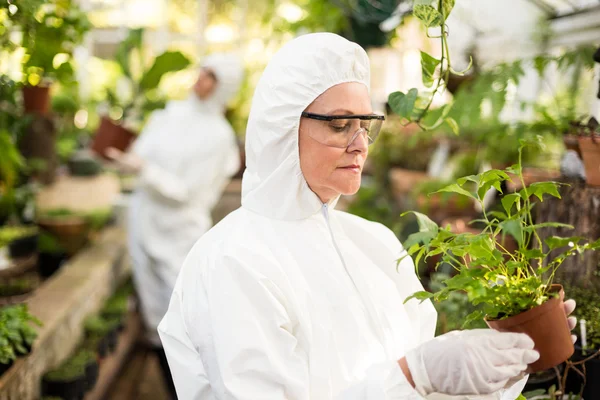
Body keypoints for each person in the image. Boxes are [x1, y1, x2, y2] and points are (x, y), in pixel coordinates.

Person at [157, 34, 577, 399]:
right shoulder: (234, 261)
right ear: (282, 127)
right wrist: (415, 376)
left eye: (365, 124)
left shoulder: (373, 242)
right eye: (340, 125)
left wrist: (504, 365)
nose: (361, 144)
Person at [107, 53, 243, 399]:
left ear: (224, 86)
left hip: (179, 234)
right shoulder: (170, 115)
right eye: (203, 71)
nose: (201, 80)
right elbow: (142, 154)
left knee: (188, 325)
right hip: (145, 225)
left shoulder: (218, 137)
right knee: (155, 320)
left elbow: (186, 192)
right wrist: (121, 156)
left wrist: (143, 170)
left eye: (212, 76)